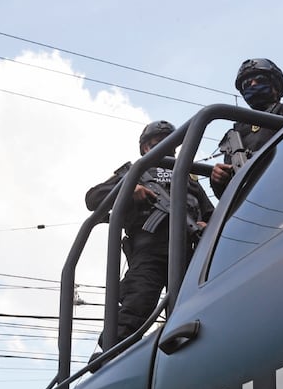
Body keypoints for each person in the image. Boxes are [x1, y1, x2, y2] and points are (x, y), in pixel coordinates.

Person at [86, 120, 214, 343]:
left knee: (194, 310)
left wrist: (206, 224)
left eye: (169, 143)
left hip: (189, 252)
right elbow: (93, 197)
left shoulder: (186, 175)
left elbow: (209, 212)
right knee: (138, 305)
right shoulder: (135, 172)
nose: (164, 147)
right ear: (145, 147)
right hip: (149, 251)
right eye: (157, 143)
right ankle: (108, 355)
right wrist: (129, 190)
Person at [210, 58, 283, 198]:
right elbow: (228, 195)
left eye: (259, 80)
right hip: (253, 203)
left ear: (275, 85)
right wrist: (218, 179)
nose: (252, 85)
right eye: (247, 84)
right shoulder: (235, 135)